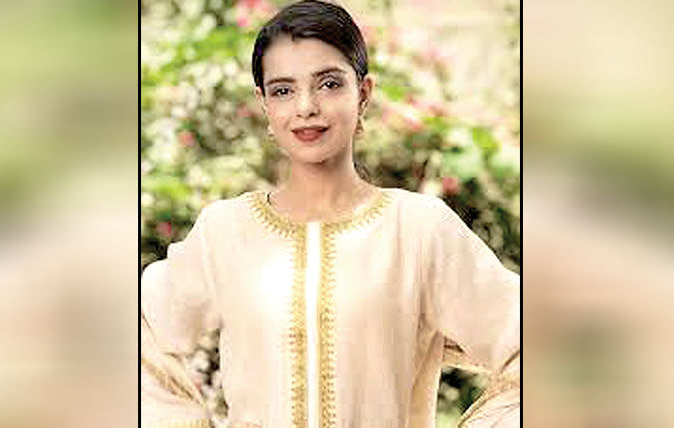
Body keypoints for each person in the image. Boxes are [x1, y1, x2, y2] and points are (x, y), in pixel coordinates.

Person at [140, 1, 520, 427]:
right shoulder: (225, 232)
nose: (306, 106)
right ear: (264, 105)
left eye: (329, 84)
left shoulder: (418, 229)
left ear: (364, 93)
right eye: (283, 90)